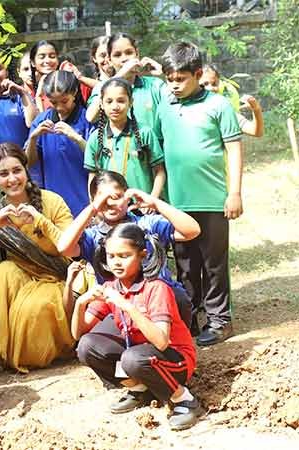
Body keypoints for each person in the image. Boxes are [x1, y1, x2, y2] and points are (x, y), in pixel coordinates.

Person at [0, 143, 74, 372]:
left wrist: (41, 222)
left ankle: (32, 355)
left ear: (26, 171)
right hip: (20, 276)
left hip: (56, 278)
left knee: (33, 308)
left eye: (16, 170)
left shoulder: (52, 201)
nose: (12, 179)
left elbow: (70, 249)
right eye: (3, 174)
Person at [72, 223, 202, 430]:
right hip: (143, 360)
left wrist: (127, 306)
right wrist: (80, 304)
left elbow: (161, 342)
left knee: (132, 358)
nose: (116, 262)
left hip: (175, 361)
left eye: (124, 256)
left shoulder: (156, 288)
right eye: (111, 256)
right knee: (87, 347)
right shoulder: (110, 287)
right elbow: (78, 334)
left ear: (142, 255)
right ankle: (140, 389)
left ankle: (184, 400)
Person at [158, 42, 243, 345]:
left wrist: (234, 193)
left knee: (213, 263)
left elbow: (234, 150)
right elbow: (158, 152)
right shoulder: (164, 106)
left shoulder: (218, 106)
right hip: (177, 204)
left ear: (198, 74)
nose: (175, 85)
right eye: (170, 79)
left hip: (213, 200)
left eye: (181, 78)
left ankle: (220, 321)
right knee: (185, 265)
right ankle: (189, 320)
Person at [57, 170, 201, 326]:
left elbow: (192, 230)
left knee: (178, 298)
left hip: (158, 299)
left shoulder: (147, 224)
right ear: (93, 200)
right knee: (92, 343)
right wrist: (92, 209)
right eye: (102, 198)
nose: (110, 203)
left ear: (127, 197)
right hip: (115, 305)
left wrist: (155, 203)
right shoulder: (93, 236)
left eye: (116, 197)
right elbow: (63, 248)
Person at [84, 78, 166, 198]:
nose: (115, 106)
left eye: (121, 101)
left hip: (142, 207)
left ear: (131, 102)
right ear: (101, 103)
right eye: (109, 101)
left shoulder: (145, 133)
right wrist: (95, 206)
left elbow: (160, 172)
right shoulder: (96, 138)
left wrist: (152, 199)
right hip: (110, 207)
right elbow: (92, 177)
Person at [26, 70, 92, 216]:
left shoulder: (87, 120)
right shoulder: (42, 121)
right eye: (54, 102)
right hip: (53, 204)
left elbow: (100, 160)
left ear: (75, 92)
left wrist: (77, 138)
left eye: (64, 101)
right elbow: (29, 163)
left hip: (85, 201)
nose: (60, 107)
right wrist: (33, 138)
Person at [86, 33, 168, 128]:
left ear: (137, 54)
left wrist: (165, 73)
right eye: (117, 55)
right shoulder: (102, 87)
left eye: (129, 53)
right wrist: (121, 75)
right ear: (109, 60)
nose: (124, 59)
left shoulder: (155, 85)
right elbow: (91, 117)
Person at [200, 64, 264, 138]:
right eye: (204, 84)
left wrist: (256, 109)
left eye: (214, 84)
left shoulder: (224, 112)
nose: (211, 88)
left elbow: (257, 132)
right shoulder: (187, 110)